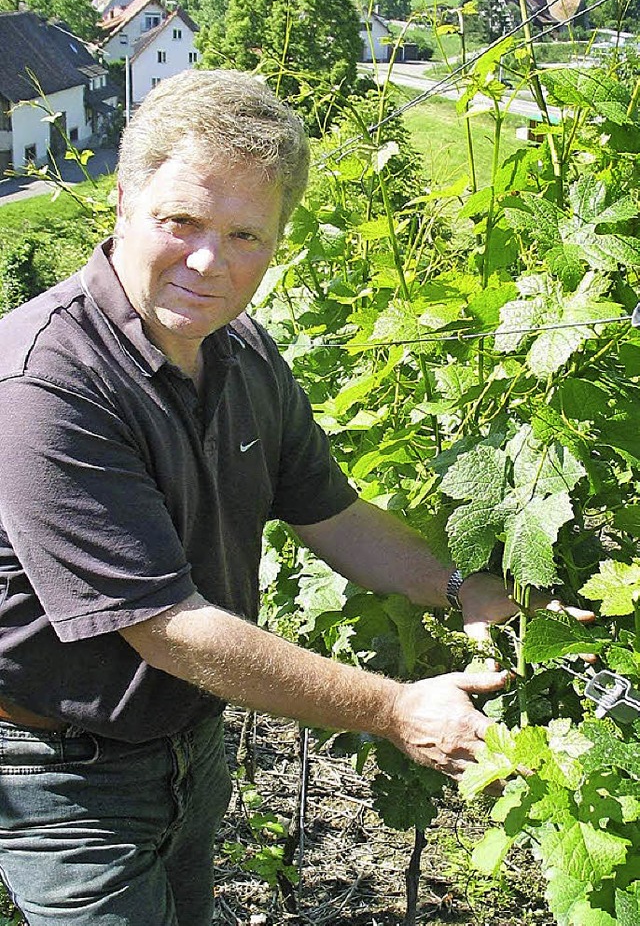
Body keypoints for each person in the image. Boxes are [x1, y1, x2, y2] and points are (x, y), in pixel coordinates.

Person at [0, 69, 589, 926]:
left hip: (192, 745)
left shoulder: (240, 349)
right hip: (65, 777)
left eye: (246, 235)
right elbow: (166, 625)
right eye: (182, 221)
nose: (210, 261)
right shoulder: (41, 384)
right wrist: (393, 707)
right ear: (122, 202)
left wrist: (460, 585)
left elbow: (334, 514)